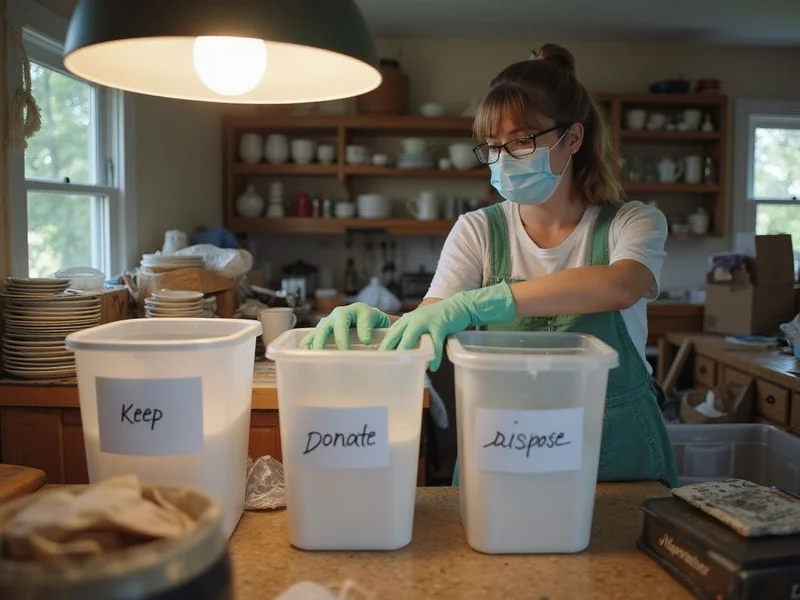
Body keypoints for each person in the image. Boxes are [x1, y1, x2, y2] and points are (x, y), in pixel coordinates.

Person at [301, 43, 679, 487]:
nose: (503, 159)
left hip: (614, 445)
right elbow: (436, 318)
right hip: (508, 441)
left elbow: (620, 285)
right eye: (493, 146)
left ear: (573, 138)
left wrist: (480, 303)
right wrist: (382, 324)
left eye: (521, 141)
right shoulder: (477, 231)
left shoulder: (632, 221)